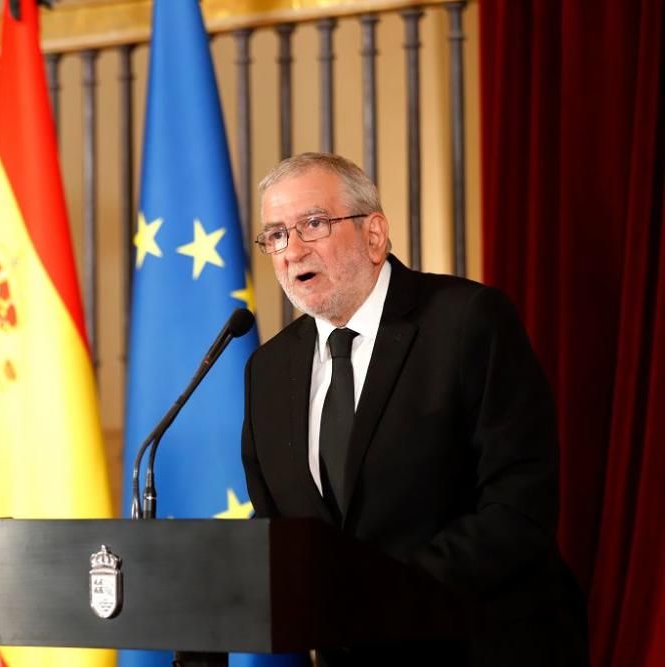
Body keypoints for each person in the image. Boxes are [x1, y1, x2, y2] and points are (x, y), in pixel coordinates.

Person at [241, 153, 587, 666]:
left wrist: (383, 597)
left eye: (313, 224)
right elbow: (277, 527)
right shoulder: (267, 369)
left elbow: (517, 506)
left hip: (481, 646)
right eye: (276, 235)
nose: (291, 251)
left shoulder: (468, 321)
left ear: (374, 234)